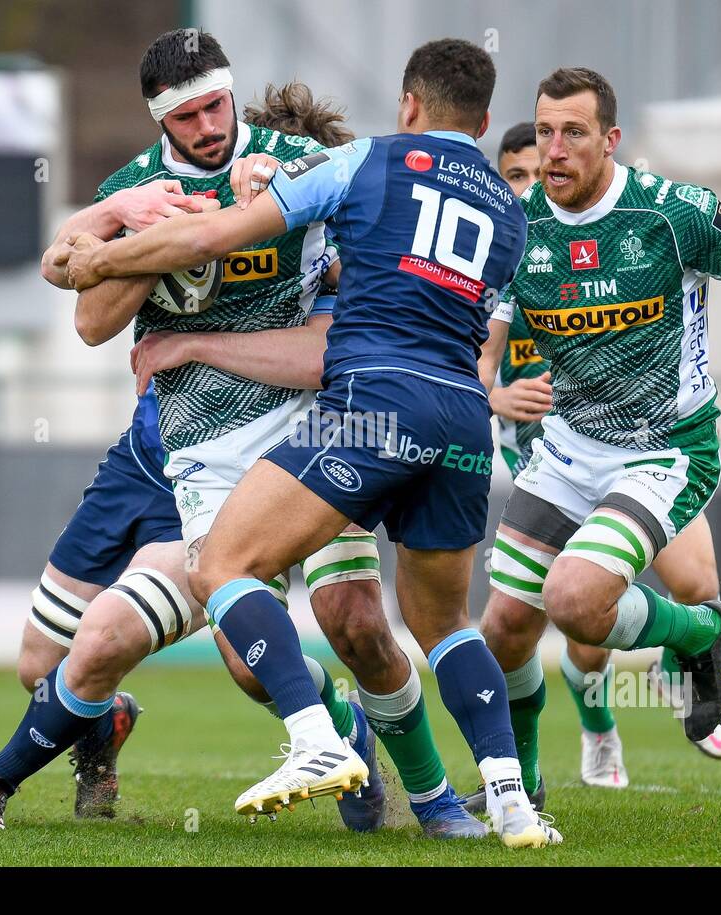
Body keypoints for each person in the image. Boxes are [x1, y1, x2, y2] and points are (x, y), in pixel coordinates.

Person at [0, 39, 480, 840]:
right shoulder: (137, 187)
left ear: (233, 94)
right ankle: (339, 730)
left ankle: (438, 802)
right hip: (202, 444)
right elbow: (93, 319)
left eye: (216, 106)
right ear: (158, 117)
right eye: (186, 115)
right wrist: (143, 226)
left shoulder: (296, 165)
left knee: (357, 622)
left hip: (320, 427)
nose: (207, 126)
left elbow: (330, 345)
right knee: (227, 662)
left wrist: (220, 269)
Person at [68, 38, 562, 849]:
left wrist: (99, 256)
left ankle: (311, 739)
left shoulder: (362, 160)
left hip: (375, 405)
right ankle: (510, 801)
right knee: (443, 623)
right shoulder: (510, 212)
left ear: (408, 105)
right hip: (466, 416)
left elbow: (208, 242)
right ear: (480, 122)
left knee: (222, 565)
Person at [467, 67, 721, 807]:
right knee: (503, 627)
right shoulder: (518, 229)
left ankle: (694, 633)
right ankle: (520, 787)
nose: (554, 151)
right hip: (565, 451)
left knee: (576, 601)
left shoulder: (672, 213)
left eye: (574, 134)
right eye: (544, 131)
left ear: (612, 140)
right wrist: (491, 391)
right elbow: (484, 353)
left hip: (665, 450)